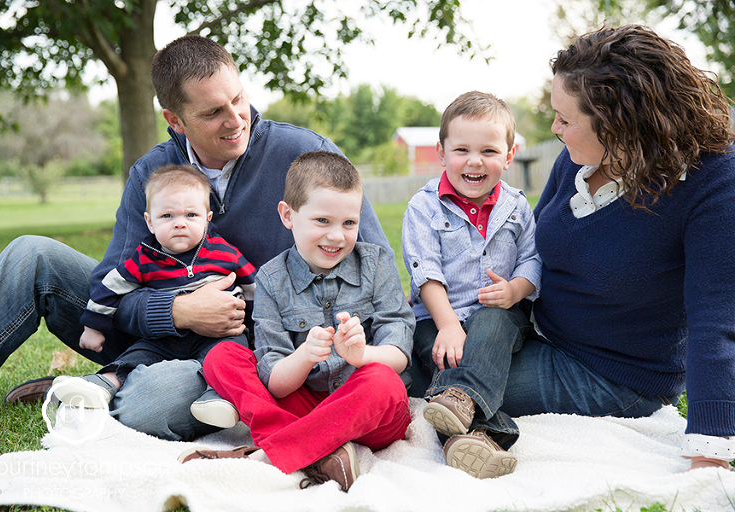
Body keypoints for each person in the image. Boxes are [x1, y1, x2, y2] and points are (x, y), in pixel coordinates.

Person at [0, 35, 391, 442]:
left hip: (247, 351)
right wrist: (178, 311)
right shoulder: (151, 174)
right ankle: (109, 379)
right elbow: (116, 287)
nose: (236, 120)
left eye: (239, 99)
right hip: (153, 336)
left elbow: (374, 267)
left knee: (149, 406)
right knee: (30, 254)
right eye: (212, 113)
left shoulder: (305, 153)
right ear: (176, 120)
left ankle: (102, 387)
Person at [412, 24, 735, 473]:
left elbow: (716, 323)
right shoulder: (579, 157)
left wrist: (711, 451)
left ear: (618, 123)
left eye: (565, 118)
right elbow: (534, 245)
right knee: (419, 342)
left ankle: (487, 436)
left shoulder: (713, 182)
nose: (554, 127)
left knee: (443, 376)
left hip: (611, 372)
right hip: (534, 328)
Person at [178, 151, 415, 492]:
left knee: (384, 382)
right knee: (223, 357)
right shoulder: (273, 279)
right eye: (322, 221)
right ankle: (321, 453)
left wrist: (362, 356)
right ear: (288, 215)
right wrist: (304, 356)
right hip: (300, 402)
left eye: (349, 223)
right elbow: (275, 382)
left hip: (368, 415)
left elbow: (399, 351)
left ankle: (264, 457)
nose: (337, 236)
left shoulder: (376, 265)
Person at [401, 91, 540, 479]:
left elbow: (533, 259)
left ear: (508, 156)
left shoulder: (516, 206)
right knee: (440, 353)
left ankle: (461, 400)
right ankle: (481, 436)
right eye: (461, 149)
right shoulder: (423, 206)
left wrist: (515, 290)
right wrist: (446, 325)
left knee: (493, 325)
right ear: (442, 154)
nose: (474, 161)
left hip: (496, 312)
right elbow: (424, 270)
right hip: (437, 315)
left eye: (489, 151)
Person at [52, 164, 254, 429]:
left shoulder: (224, 253)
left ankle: (218, 398)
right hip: (164, 338)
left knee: (229, 356)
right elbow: (111, 288)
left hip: (221, 333)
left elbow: (253, 290)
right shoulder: (145, 257)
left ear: (208, 218)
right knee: (138, 354)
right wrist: (93, 327)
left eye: (191, 215)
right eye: (167, 215)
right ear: (150, 221)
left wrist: (253, 328)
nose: (180, 223)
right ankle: (103, 384)